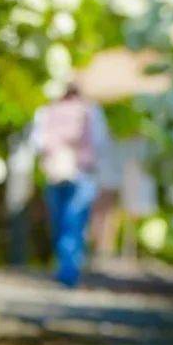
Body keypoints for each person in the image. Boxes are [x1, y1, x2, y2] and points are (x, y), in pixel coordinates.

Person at [30, 83, 112, 287]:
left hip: (56, 171)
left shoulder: (47, 110)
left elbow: (37, 142)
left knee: (61, 222)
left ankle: (66, 269)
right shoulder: (90, 110)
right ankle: (69, 271)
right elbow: (101, 140)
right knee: (74, 222)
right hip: (82, 172)